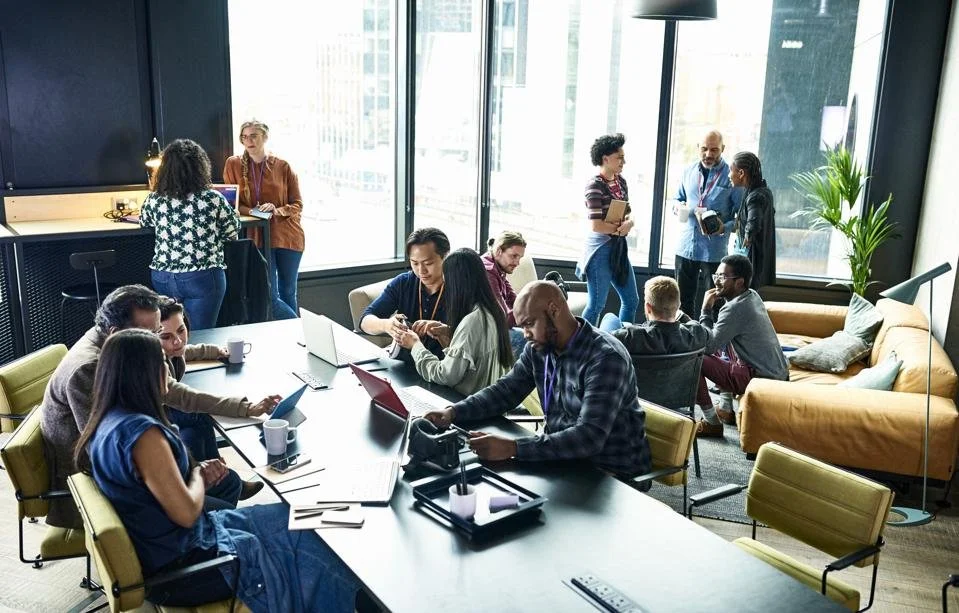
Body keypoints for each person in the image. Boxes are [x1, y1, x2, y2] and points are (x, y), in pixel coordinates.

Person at [74, 329, 358, 611]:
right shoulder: (144, 437)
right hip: (192, 564)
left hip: (183, 545)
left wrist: (193, 475)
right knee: (322, 545)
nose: (167, 369)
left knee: (310, 516)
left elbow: (155, 493)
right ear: (142, 373)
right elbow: (186, 513)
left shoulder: (107, 421)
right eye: (161, 362)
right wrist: (198, 476)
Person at [39, 285, 279, 529]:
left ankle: (211, 533)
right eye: (153, 335)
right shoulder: (89, 369)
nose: (160, 348)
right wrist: (183, 474)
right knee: (235, 515)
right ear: (116, 333)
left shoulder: (114, 342)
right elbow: (105, 454)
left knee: (227, 484)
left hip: (131, 464)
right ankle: (208, 536)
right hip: (103, 486)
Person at [423, 281, 652, 480]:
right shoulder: (540, 348)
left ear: (554, 310)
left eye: (529, 324)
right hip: (564, 460)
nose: (525, 334)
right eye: (522, 326)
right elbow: (505, 391)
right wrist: (453, 413)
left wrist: (513, 448)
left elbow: (589, 438)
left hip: (611, 474)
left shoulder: (605, 358)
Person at [158, 298, 263, 500]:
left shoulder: (170, 349)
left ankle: (216, 474)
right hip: (160, 415)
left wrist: (215, 351)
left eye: (181, 330)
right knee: (198, 414)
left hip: (167, 410)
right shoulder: (154, 361)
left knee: (198, 425)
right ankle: (219, 478)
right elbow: (189, 398)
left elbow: (185, 351)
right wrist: (246, 408)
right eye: (166, 336)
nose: (178, 341)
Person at [140, 139, 240, 330]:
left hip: (163, 276)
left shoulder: (154, 199)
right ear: (200, 167)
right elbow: (232, 232)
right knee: (202, 334)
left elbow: (145, 222)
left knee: (171, 334)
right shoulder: (212, 198)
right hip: (202, 275)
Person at [391, 248, 513, 396]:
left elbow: (445, 375)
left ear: (456, 283)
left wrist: (415, 345)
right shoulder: (492, 310)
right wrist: (450, 333)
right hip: (489, 400)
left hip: (465, 403)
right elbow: (474, 358)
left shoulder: (472, 322)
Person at [695, 254, 789, 437]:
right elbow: (719, 339)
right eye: (716, 275)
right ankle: (725, 408)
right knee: (725, 341)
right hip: (778, 373)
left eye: (723, 277)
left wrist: (705, 310)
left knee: (695, 359)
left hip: (762, 378)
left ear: (739, 282)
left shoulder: (734, 308)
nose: (717, 281)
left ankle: (712, 422)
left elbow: (708, 346)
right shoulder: (752, 295)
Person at [601, 276, 714, 421]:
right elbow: (709, 333)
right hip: (676, 400)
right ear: (678, 305)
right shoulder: (696, 334)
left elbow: (600, 347)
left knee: (611, 318)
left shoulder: (629, 337)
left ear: (648, 307)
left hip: (636, 401)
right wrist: (702, 311)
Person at [224, 119, 305, 320]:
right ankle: (300, 329)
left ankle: (293, 335)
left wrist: (276, 210)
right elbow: (232, 204)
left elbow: (297, 204)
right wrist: (254, 211)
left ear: (265, 137)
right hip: (259, 236)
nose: (248, 141)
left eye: (253, 136)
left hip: (288, 236)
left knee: (289, 291)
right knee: (270, 295)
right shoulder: (233, 164)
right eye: (244, 137)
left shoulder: (282, 166)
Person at [672, 130, 743, 318]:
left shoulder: (731, 175)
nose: (708, 154)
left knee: (715, 303)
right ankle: (685, 336)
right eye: (704, 149)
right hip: (686, 246)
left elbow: (742, 217)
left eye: (714, 150)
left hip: (714, 250)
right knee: (681, 303)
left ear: (723, 149)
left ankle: (712, 337)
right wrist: (678, 207)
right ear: (698, 148)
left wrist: (724, 227)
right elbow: (677, 198)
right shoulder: (688, 171)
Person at [576, 133, 639, 327]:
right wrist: (621, 229)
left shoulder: (621, 181)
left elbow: (627, 212)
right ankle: (583, 343)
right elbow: (597, 226)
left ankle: (623, 340)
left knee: (632, 300)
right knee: (596, 305)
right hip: (600, 250)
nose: (623, 162)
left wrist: (629, 223)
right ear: (605, 159)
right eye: (619, 157)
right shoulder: (594, 186)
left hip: (618, 248)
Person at [359, 227, 450, 362]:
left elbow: (476, 337)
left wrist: (446, 331)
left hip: (441, 366)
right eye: (415, 263)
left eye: (428, 263)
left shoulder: (460, 287)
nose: (421, 270)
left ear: (446, 257)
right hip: (403, 362)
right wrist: (387, 325)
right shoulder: (404, 282)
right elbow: (365, 321)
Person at [730, 151, 776, 290]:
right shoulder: (761, 191)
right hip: (754, 259)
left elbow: (753, 223)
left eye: (731, 170)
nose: (729, 175)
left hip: (749, 260)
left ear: (741, 173)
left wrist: (748, 234)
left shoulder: (755, 196)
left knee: (743, 296)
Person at [481, 230, 528, 355]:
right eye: (514, 256)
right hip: (483, 331)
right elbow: (503, 318)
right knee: (526, 338)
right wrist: (531, 312)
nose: (517, 263)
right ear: (499, 251)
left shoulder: (498, 269)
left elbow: (515, 301)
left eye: (520, 258)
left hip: (493, 326)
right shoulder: (488, 271)